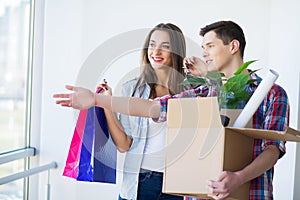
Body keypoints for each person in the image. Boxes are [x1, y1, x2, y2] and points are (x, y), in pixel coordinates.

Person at [54, 20, 290, 200]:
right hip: (195, 191)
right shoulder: (203, 93)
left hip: (249, 193)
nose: (204, 52)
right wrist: (98, 100)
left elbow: (272, 149)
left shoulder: (271, 93)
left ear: (233, 47)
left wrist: (238, 178)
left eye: (209, 46)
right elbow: (154, 108)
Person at [60, 23, 188, 200]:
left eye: (165, 46)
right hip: (141, 183)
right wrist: (107, 103)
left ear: (177, 51)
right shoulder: (131, 90)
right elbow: (123, 145)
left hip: (179, 185)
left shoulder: (192, 91)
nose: (156, 51)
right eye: (152, 44)